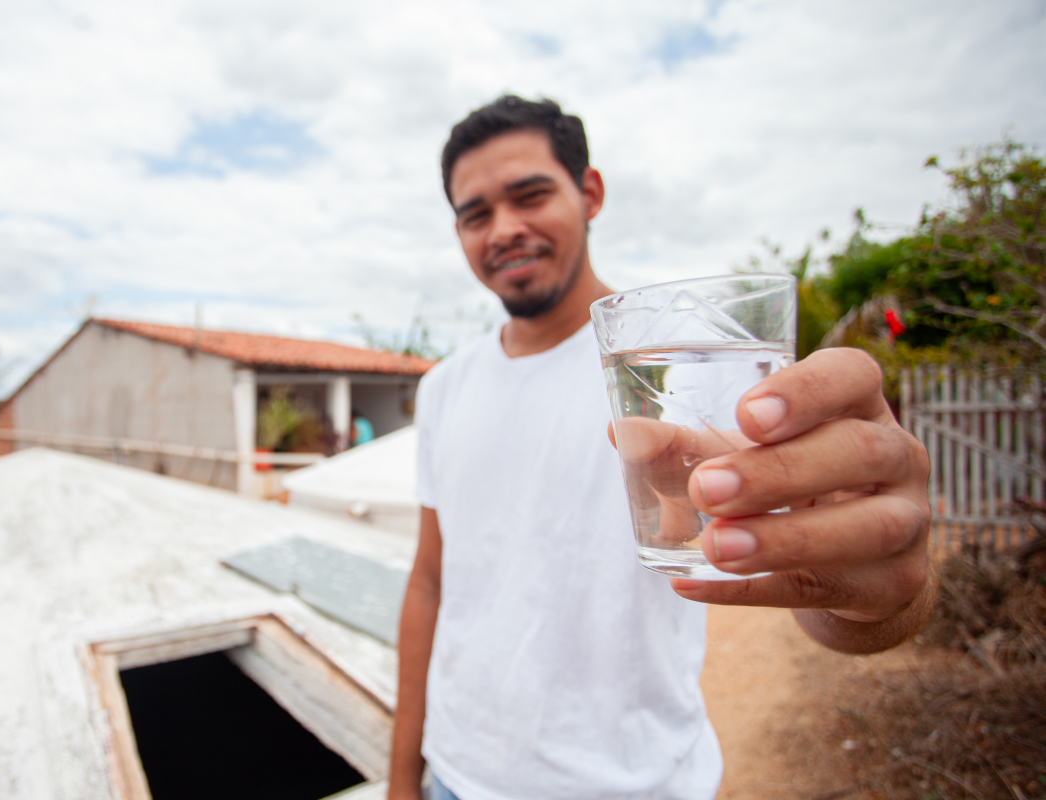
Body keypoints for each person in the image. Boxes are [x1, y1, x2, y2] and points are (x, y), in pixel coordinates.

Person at [387, 96, 934, 800]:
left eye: (531, 195)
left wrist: (875, 587)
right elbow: (431, 581)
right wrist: (404, 780)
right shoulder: (444, 388)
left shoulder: (681, 364)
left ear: (590, 194)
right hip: (455, 780)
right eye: (476, 213)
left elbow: (822, 579)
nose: (505, 229)